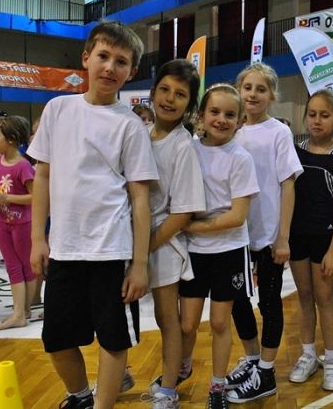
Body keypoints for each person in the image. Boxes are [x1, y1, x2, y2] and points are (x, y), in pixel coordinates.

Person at [27, 21, 158, 409]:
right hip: (65, 249)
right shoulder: (58, 109)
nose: (110, 67)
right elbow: (43, 176)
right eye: (103, 56)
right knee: (57, 339)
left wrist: (139, 264)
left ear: (131, 71)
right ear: (86, 58)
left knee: (114, 339)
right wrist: (37, 239)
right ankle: (81, 396)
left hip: (111, 252)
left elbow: (140, 199)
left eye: (121, 61)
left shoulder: (131, 126)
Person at [178, 83, 259, 409]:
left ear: (240, 120)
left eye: (230, 114)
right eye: (214, 111)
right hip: (194, 252)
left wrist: (192, 226)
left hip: (228, 251)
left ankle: (217, 385)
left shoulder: (240, 158)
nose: (221, 119)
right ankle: (182, 367)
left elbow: (237, 217)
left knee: (220, 323)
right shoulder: (189, 150)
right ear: (201, 115)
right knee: (187, 324)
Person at [226, 63, 303, 403]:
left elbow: (288, 185)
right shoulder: (231, 130)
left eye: (261, 89)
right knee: (237, 301)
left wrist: (282, 236)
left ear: (272, 95)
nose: (253, 94)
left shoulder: (278, 132)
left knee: (269, 303)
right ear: (238, 91)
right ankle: (253, 359)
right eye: (248, 88)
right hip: (235, 235)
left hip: (269, 235)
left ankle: (267, 373)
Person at [144, 59, 206, 409]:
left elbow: (183, 213)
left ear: (190, 104)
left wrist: (145, 249)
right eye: (165, 90)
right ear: (153, 92)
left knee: (168, 320)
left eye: (180, 94)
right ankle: (121, 374)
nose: (170, 99)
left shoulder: (184, 146)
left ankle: (169, 390)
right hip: (133, 240)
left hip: (163, 244)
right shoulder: (140, 134)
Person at [288, 89, 333, 391]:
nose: (316, 120)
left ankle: (332, 359)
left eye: (324, 115)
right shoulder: (295, 152)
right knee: (304, 296)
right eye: (312, 114)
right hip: (297, 237)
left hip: (324, 241)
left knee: (324, 299)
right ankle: (308, 355)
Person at [0, 115, 36, 332]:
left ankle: (22, 311)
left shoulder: (23, 166)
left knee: (25, 266)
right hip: (3, 222)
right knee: (12, 266)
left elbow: (35, 197)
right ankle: (19, 312)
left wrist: (7, 198)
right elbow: (1, 187)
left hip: (22, 224)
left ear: (11, 139)